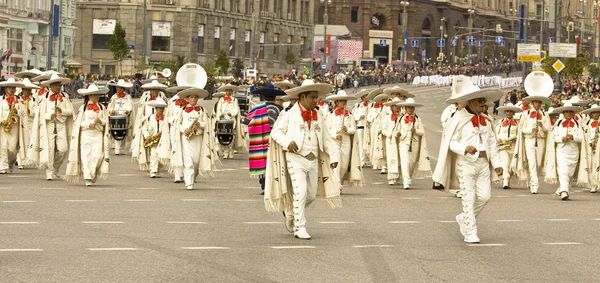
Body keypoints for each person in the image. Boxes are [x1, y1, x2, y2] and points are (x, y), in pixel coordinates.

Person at [432, 75, 503, 243]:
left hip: (484, 163)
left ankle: (463, 217)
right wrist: (465, 148)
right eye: (479, 101)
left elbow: (492, 143)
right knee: (468, 198)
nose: (482, 104)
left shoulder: (486, 119)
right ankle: (470, 231)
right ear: (470, 102)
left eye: (483, 101)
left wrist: (498, 163)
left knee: (485, 196)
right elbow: (451, 143)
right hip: (466, 164)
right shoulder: (458, 119)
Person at [268, 80, 340, 240]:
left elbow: (326, 138)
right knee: (300, 193)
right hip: (296, 158)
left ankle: (290, 212)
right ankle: (299, 227)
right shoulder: (288, 113)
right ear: (302, 96)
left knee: (311, 195)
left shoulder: (319, 115)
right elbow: (276, 132)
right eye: (312, 97)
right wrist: (288, 142)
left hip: (313, 159)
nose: (316, 100)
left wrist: (334, 156)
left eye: (317, 97)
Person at [511, 72, 552, 194]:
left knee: (538, 163)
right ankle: (534, 185)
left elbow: (548, 130)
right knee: (532, 162)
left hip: (540, 140)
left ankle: (532, 178)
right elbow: (522, 129)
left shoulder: (545, 115)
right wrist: (531, 130)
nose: (537, 104)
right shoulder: (526, 114)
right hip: (529, 140)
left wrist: (542, 126)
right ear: (532, 103)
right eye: (535, 102)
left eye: (539, 102)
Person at [27, 74, 74, 180]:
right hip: (49, 125)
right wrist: (49, 116)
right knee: (50, 148)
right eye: (56, 85)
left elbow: (71, 111)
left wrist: (62, 111)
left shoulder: (65, 97)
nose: (58, 87)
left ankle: (56, 166)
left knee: (63, 149)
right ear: (51, 86)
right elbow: (39, 113)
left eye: (59, 85)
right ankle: (49, 171)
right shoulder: (45, 98)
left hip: (61, 125)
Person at [64, 84, 110, 186]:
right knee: (86, 156)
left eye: (97, 95)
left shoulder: (102, 108)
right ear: (89, 96)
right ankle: (88, 177)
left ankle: (92, 173)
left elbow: (106, 122)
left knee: (98, 156)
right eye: (94, 95)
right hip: (86, 135)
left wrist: (100, 121)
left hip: (97, 134)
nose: (96, 97)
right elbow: (78, 123)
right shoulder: (83, 108)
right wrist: (88, 124)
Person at [171, 88, 216, 190]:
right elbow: (178, 124)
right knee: (188, 161)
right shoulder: (182, 110)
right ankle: (189, 183)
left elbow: (207, 124)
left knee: (196, 161)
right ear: (187, 99)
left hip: (197, 138)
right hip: (186, 138)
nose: (193, 99)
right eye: (191, 97)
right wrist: (184, 129)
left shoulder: (202, 110)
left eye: (195, 97)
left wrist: (200, 124)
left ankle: (193, 176)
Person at [544, 101, 589, 200]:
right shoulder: (558, 124)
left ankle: (562, 188)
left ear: (573, 113)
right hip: (561, 151)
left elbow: (581, 138)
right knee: (563, 171)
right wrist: (561, 139)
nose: (568, 114)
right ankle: (564, 191)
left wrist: (573, 137)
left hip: (573, 151)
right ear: (563, 113)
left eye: (570, 112)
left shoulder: (577, 124)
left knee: (569, 173)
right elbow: (553, 138)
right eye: (566, 112)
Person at [247, 84, 286, 195]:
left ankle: (264, 185)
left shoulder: (256, 109)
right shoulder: (281, 109)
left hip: (261, 140)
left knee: (263, 161)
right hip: (276, 140)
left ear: (263, 97)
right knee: (276, 161)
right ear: (275, 98)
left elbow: (249, 121)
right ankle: (276, 184)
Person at [325, 90, 362, 187]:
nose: (343, 103)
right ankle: (337, 185)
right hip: (335, 141)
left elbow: (353, 129)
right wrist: (334, 135)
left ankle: (339, 180)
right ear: (336, 102)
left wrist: (347, 129)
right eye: (341, 101)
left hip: (346, 141)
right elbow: (327, 129)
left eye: (344, 101)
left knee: (344, 164)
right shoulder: (330, 114)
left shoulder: (349, 115)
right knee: (336, 161)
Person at [396, 98, 432, 189]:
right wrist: (398, 134)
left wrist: (415, 130)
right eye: (408, 107)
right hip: (403, 142)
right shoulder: (400, 118)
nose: (410, 109)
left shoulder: (417, 119)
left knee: (411, 164)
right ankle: (405, 182)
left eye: (412, 108)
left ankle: (408, 177)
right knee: (405, 162)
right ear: (405, 108)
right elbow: (396, 131)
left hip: (414, 144)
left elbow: (422, 132)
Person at [165, 85, 191, 183]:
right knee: (176, 150)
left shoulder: (190, 103)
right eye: (180, 91)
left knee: (186, 150)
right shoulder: (172, 103)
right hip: (174, 129)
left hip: (185, 129)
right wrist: (175, 120)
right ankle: (177, 174)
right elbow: (168, 117)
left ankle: (185, 173)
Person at [0, 78, 25, 174]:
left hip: (14, 128)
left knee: (12, 150)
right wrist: (2, 121)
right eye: (9, 88)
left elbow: (23, 114)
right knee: (3, 147)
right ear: (6, 89)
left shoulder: (19, 101)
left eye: (13, 88)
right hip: (3, 127)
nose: (11, 90)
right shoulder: (1, 100)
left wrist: (17, 111)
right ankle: (2, 166)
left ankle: (11, 162)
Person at [141, 97, 171, 178]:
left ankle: (158, 169)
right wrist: (147, 135)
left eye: (162, 108)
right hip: (153, 139)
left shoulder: (167, 119)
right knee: (153, 154)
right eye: (159, 108)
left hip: (163, 139)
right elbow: (144, 128)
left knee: (162, 155)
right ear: (155, 108)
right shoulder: (150, 118)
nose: (161, 110)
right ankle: (153, 171)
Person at [494, 103, 522, 189]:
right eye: (507, 111)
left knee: (511, 165)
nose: (509, 113)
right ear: (505, 113)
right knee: (505, 163)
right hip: (503, 146)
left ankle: (507, 179)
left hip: (513, 147)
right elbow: (495, 133)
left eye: (510, 111)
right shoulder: (500, 122)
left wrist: (515, 138)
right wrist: (498, 139)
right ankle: (505, 180)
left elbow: (520, 134)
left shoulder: (518, 123)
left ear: (513, 113)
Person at [17, 78, 40, 169]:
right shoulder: (18, 99)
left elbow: (38, 112)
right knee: (20, 142)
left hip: (31, 123)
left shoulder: (34, 100)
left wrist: (30, 111)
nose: (27, 91)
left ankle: (31, 159)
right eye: (25, 90)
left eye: (28, 90)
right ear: (22, 90)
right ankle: (20, 161)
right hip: (21, 123)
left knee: (31, 142)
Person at [107, 79, 135, 155]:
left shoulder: (127, 97)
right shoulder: (114, 97)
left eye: (119, 88)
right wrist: (111, 110)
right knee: (116, 132)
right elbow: (110, 106)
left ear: (123, 89)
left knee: (124, 132)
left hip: (124, 117)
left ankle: (122, 148)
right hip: (115, 117)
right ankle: (117, 148)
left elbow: (129, 106)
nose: (117, 89)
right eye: (117, 88)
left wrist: (128, 111)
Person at [215, 84, 243, 159]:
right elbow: (218, 109)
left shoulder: (234, 100)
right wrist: (220, 115)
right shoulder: (221, 100)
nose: (228, 92)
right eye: (227, 90)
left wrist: (232, 113)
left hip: (231, 120)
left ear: (231, 91)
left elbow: (236, 109)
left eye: (229, 90)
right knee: (223, 135)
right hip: (223, 120)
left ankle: (231, 151)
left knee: (231, 136)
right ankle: (225, 152)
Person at [381, 97, 404, 185]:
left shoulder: (402, 117)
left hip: (400, 139)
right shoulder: (387, 117)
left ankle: (398, 176)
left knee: (399, 157)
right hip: (390, 140)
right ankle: (391, 177)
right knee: (391, 157)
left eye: (398, 106)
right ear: (391, 107)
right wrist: (388, 134)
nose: (397, 108)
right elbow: (383, 129)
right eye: (395, 106)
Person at [582, 104, 599, 193]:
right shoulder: (587, 124)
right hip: (591, 147)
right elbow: (586, 136)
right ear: (591, 114)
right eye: (594, 113)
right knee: (592, 165)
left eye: (597, 113)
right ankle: (593, 185)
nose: (596, 114)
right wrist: (590, 143)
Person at [352, 89, 371, 167]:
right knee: (361, 144)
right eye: (366, 95)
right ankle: (362, 160)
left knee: (367, 143)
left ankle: (367, 160)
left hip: (368, 126)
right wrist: (360, 117)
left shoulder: (370, 105)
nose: (368, 97)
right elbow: (353, 116)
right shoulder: (358, 106)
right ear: (363, 97)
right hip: (360, 126)